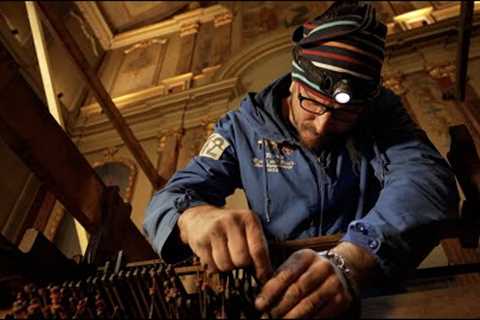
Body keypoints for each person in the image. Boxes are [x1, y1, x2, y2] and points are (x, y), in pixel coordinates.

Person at [143, 1, 459, 318]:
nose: (322, 125)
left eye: (343, 113)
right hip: (273, 295)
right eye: (312, 103)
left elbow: (426, 181)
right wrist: (191, 217)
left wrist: (353, 258)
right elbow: (167, 200)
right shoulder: (241, 128)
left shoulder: (380, 114)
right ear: (295, 83)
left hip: (366, 290)